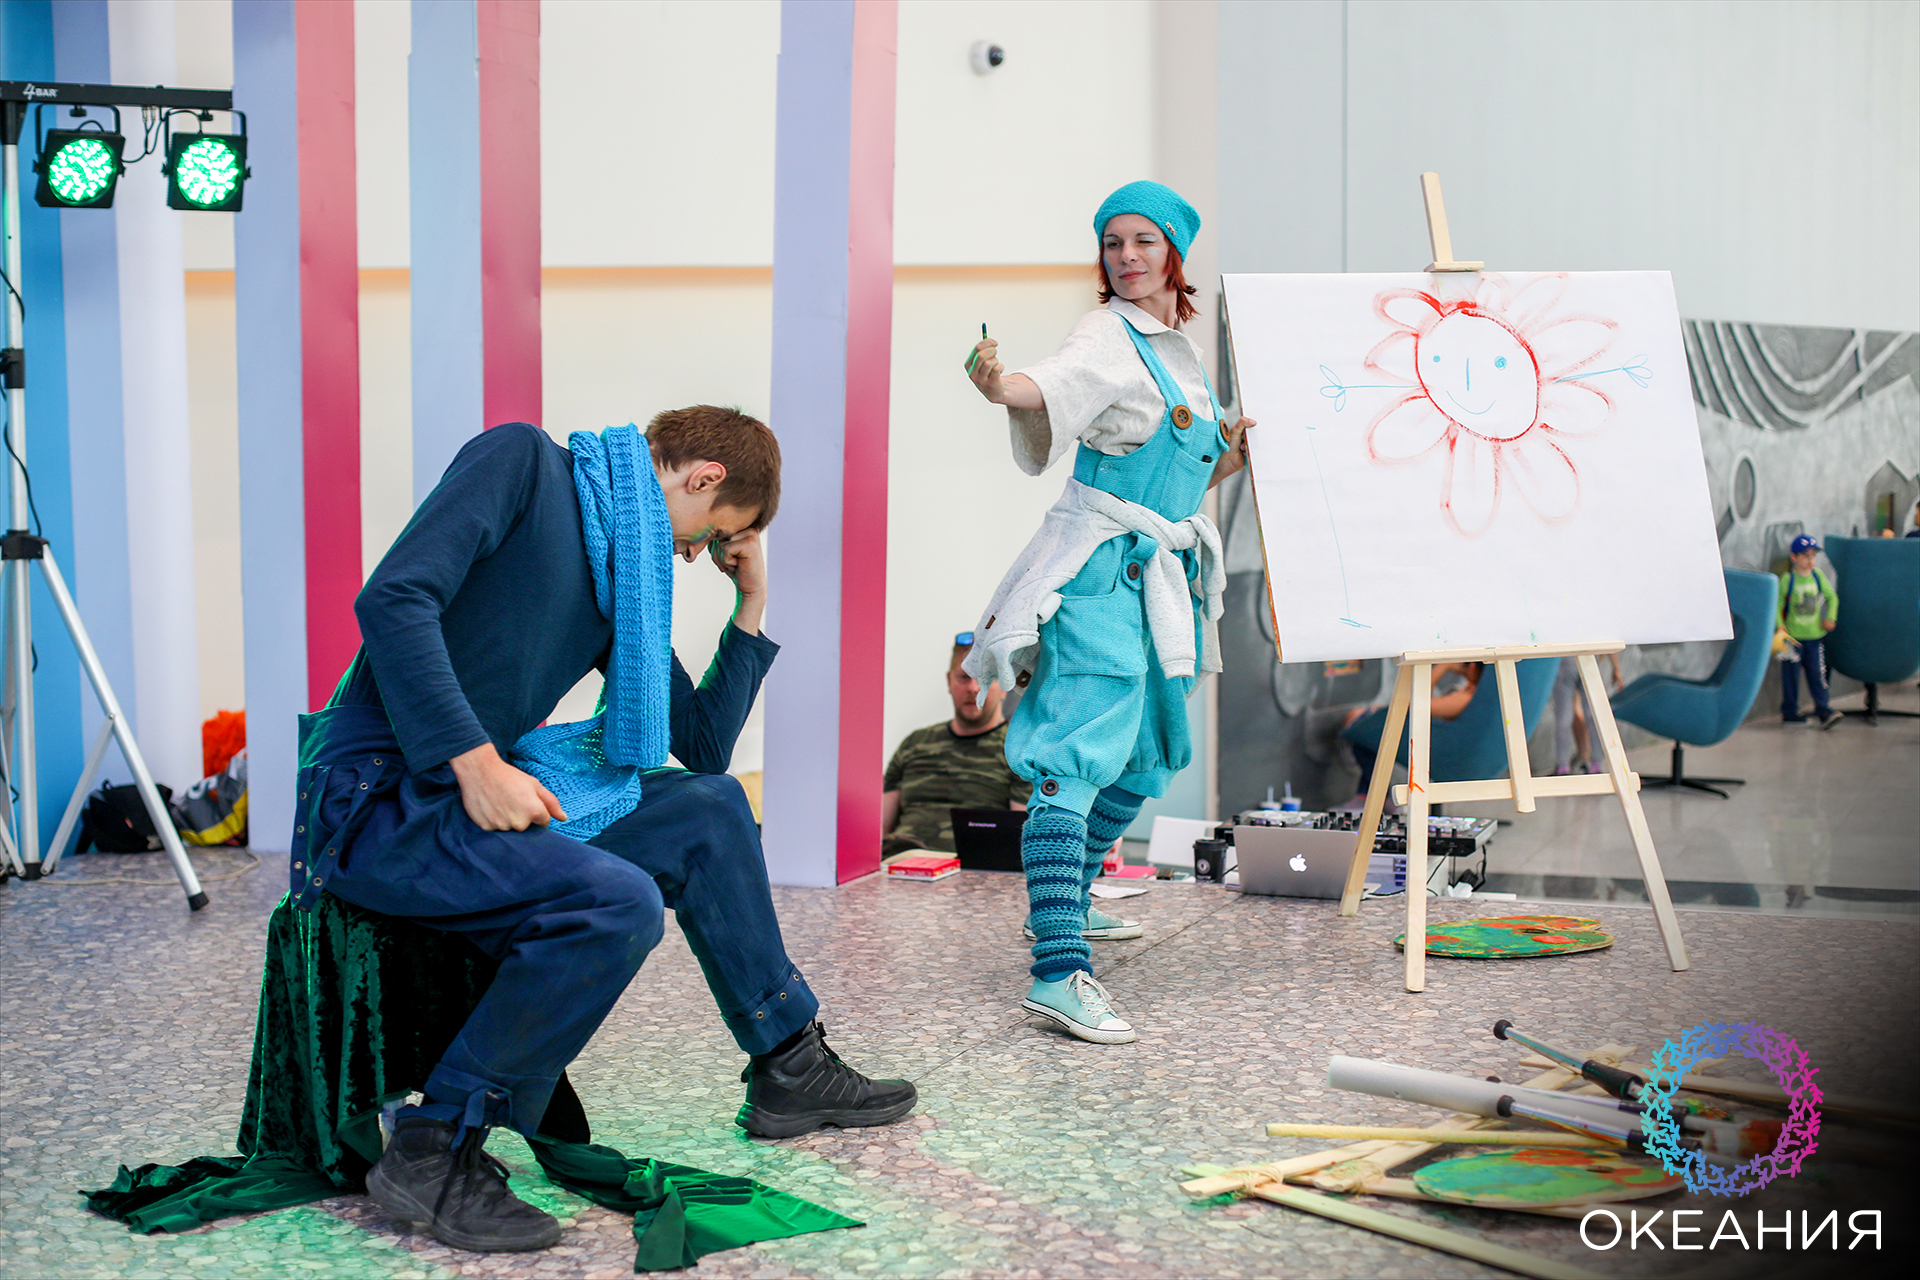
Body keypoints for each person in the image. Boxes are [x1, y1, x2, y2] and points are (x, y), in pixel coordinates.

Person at [298, 409, 916, 1254]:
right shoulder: (523, 463)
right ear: (701, 477)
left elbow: (700, 746)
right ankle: (435, 1146)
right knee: (617, 901)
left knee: (710, 805)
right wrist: (475, 763)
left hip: (462, 790)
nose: (698, 554)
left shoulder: (623, 573)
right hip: (379, 797)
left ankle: (790, 1065)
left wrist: (751, 603)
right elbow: (393, 598)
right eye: (713, 533)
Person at [962, 180, 1251, 1045]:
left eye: (1143, 241)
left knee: (1145, 755)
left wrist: (1238, 455)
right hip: (1102, 577)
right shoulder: (1105, 333)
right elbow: (1048, 384)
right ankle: (1058, 970)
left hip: (1159, 578)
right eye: (1113, 242)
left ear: (1174, 253)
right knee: (1075, 757)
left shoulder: (1178, 355)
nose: (1126, 256)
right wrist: (997, 386)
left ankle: (1071, 899)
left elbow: (1177, 477)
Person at [881, 632, 1027, 858]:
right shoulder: (915, 744)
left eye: (986, 678)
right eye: (963, 677)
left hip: (971, 868)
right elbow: (877, 828)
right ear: (949, 681)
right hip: (901, 862)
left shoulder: (1018, 751)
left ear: (1005, 685)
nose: (973, 688)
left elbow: (1022, 838)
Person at [1777, 533, 1841, 728]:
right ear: (1794, 557)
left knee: (1817, 675)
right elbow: (1777, 605)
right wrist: (1780, 625)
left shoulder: (1817, 576)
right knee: (1790, 677)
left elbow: (1832, 597)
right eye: (1805, 556)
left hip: (1814, 637)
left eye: (1813, 555)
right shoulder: (1788, 579)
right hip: (1791, 638)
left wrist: (1830, 618)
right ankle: (1789, 712)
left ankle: (1823, 710)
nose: (1810, 560)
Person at [1549, 652, 1622, 775]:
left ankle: (1563, 766)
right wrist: (1616, 667)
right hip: (1589, 660)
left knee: (1564, 717)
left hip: (1565, 661)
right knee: (1593, 715)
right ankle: (1596, 764)